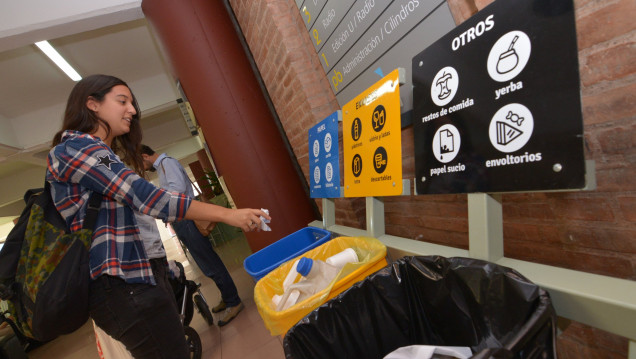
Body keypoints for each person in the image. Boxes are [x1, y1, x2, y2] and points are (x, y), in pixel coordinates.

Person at [46, 74, 270, 359]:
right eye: (122, 101)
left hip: (138, 277)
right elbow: (149, 198)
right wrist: (229, 215)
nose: (133, 110)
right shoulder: (75, 147)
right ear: (92, 104)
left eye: (132, 103)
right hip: (120, 285)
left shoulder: (102, 152)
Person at [140, 145, 246, 326]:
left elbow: (178, 192)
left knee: (210, 263)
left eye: (140, 164)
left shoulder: (167, 163)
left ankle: (234, 302)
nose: (142, 169)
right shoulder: (163, 167)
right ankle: (227, 296)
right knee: (206, 264)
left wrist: (159, 203)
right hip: (182, 222)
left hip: (187, 220)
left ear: (144, 156)